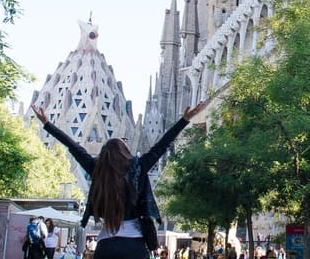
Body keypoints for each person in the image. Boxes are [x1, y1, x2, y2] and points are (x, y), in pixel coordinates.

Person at [32, 102, 204, 259]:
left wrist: (47, 124)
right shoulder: (138, 167)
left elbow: (73, 146)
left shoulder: (97, 170)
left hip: (105, 246)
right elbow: (161, 145)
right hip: (134, 246)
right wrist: (184, 120)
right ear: (124, 152)